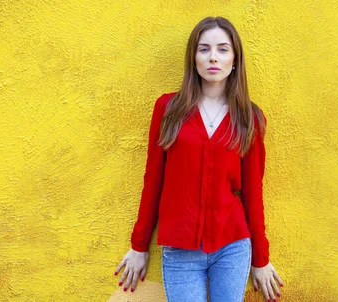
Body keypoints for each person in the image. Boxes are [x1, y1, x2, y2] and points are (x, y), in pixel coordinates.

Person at [114, 16, 283, 302]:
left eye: (222, 49)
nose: (213, 57)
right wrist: (139, 245)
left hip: (232, 247)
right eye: (204, 49)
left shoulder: (249, 118)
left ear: (234, 59)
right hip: (180, 249)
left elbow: (253, 192)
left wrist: (261, 258)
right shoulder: (169, 109)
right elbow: (153, 180)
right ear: (193, 58)